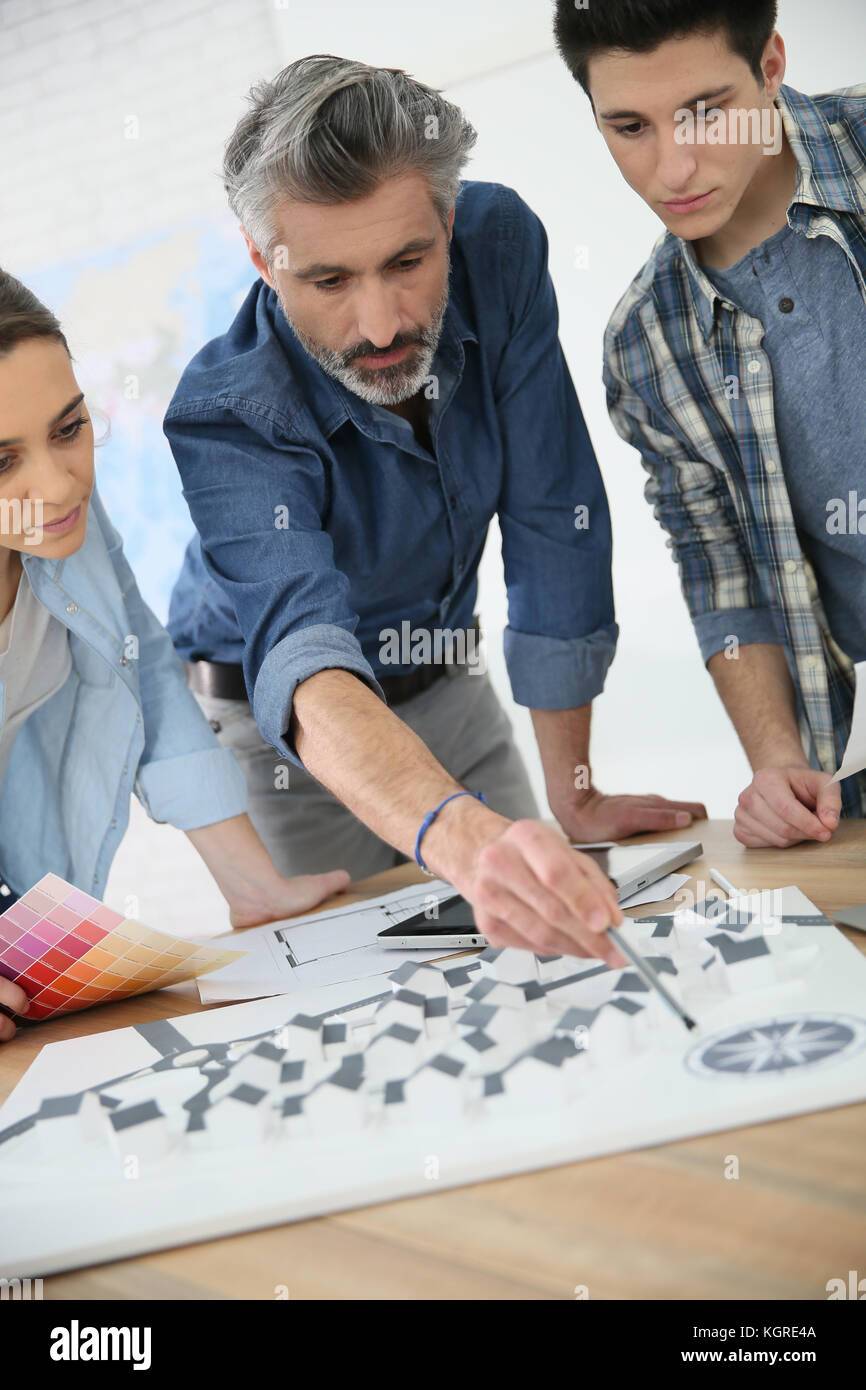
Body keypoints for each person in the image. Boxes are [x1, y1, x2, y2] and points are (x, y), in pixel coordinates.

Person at [164, 55, 705, 964]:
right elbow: (306, 660)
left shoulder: (497, 245)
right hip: (288, 740)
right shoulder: (226, 415)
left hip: (448, 674)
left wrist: (572, 786)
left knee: (543, 945)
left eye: (409, 261)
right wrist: (460, 838)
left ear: (448, 220)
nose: (379, 326)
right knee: (361, 994)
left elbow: (552, 505)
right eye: (329, 281)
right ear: (265, 262)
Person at [0, 270, 349, 1040]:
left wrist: (252, 882)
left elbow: (147, 674)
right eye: (3, 463)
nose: (58, 487)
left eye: (68, 429)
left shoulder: (62, 530)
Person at [553, 0, 866, 849]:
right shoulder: (645, 346)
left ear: (770, 63)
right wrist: (776, 763)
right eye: (628, 126)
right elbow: (723, 572)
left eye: (704, 112)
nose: (672, 169)